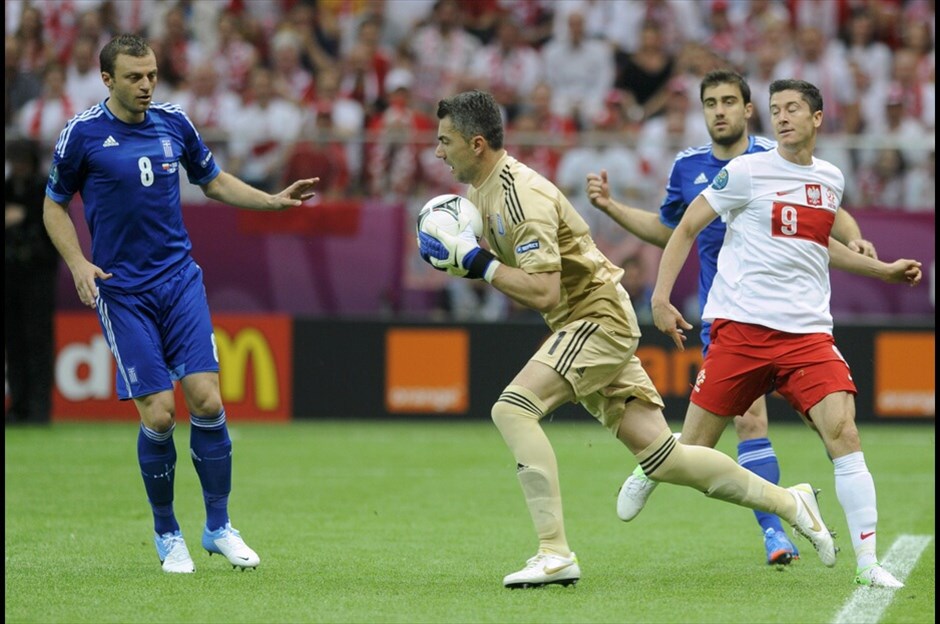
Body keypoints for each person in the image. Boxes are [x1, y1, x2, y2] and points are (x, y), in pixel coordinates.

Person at [418, 90, 838, 590]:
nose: (438, 152)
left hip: (595, 317)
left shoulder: (517, 195)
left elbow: (543, 289)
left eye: (445, 141)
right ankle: (792, 502)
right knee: (666, 459)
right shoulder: (482, 194)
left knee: (512, 409)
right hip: (582, 319)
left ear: (478, 143)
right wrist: (470, 259)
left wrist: (475, 262)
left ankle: (553, 553)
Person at [42, 34, 319, 574]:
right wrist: (78, 263)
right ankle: (167, 533)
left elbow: (211, 181)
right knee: (161, 412)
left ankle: (217, 527)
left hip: (179, 281)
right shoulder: (82, 135)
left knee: (208, 402)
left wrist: (272, 201)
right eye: (134, 77)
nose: (147, 85)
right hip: (122, 291)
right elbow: (54, 207)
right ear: (107, 80)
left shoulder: (175, 123)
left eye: (151, 75)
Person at [586, 69, 878, 566]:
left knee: (754, 422)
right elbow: (671, 231)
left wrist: (855, 239)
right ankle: (664, 469)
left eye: (728, 101)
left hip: (788, 317)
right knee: (702, 442)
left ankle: (776, 534)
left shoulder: (772, 156)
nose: (718, 110)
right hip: (728, 309)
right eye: (709, 103)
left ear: (747, 110)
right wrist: (612, 208)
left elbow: (825, 206)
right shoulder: (689, 167)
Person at [648, 79, 922, 588]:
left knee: (844, 433)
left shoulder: (830, 178)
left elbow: (821, 245)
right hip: (743, 329)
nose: (783, 117)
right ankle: (651, 467)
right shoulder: (746, 171)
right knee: (689, 456)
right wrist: (661, 299)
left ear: (817, 118)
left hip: (807, 333)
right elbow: (685, 226)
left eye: (793, 108)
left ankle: (868, 565)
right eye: (776, 110)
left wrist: (883, 269)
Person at [5, 139, 59, 426]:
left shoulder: (44, 189)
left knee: (38, 341)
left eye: (22, 160)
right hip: (10, 276)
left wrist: (23, 220)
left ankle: (39, 407)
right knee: (14, 342)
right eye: (14, 160)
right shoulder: (7, 187)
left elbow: (54, 233)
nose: (18, 166)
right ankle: (18, 405)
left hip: (38, 277)